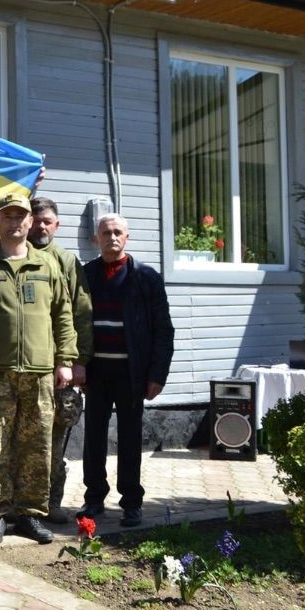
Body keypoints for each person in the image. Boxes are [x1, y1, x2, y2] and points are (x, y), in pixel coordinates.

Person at [0, 194, 76, 546]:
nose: (15, 222)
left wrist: (65, 361)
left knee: (37, 446)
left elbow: (63, 315)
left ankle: (31, 514)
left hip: (40, 372)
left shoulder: (47, 265)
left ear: (30, 222)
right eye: (8, 216)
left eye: (21, 216)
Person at [78, 214, 174, 527]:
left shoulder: (145, 277)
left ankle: (131, 502)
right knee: (94, 437)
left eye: (118, 232)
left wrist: (157, 375)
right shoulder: (86, 274)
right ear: (97, 238)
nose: (112, 237)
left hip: (132, 372)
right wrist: (78, 364)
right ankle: (94, 498)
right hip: (96, 371)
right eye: (106, 233)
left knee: (130, 438)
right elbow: (74, 321)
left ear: (127, 237)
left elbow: (163, 329)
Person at [27, 197, 94, 523]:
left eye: (47, 221)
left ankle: (51, 502)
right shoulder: (14, 253)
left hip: (60, 368)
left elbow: (81, 312)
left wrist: (79, 361)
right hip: (26, 366)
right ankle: (21, 504)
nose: (41, 226)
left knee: (54, 441)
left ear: (57, 225)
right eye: (37, 220)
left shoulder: (66, 261)